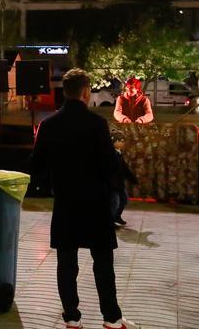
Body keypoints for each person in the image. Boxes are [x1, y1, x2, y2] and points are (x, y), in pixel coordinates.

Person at [30, 68, 137, 329]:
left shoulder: (48, 125)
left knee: (66, 263)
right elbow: (110, 164)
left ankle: (72, 318)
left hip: (66, 202)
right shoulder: (96, 124)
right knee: (103, 263)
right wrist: (119, 186)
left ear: (65, 92)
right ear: (86, 92)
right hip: (95, 203)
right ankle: (111, 317)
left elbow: (36, 165)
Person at [109, 130, 138, 227]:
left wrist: (133, 179)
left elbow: (124, 168)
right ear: (114, 141)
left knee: (124, 200)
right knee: (114, 203)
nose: (122, 143)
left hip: (119, 183)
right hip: (112, 184)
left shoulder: (119, 153)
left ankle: (117, 216)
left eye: (123, 141)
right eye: (120, 140)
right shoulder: (109, 153)